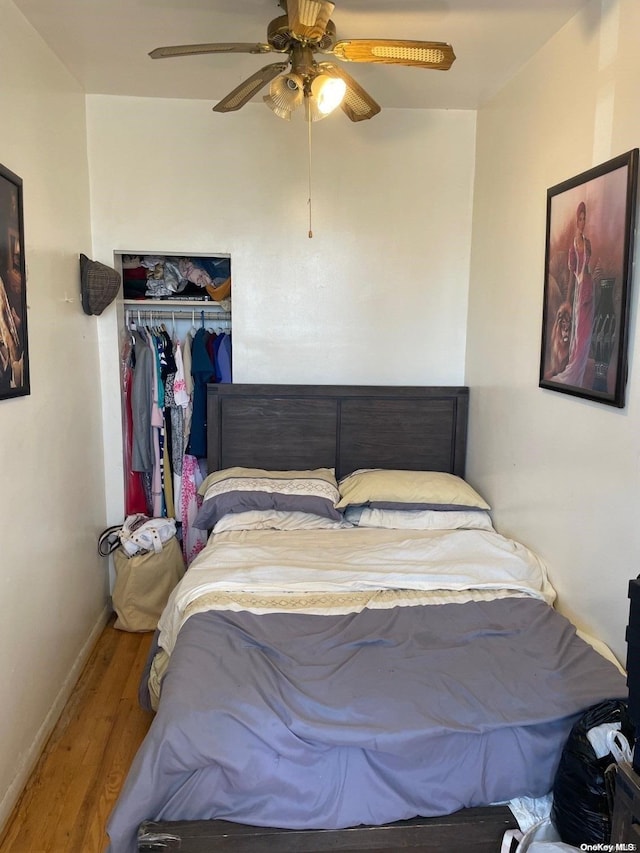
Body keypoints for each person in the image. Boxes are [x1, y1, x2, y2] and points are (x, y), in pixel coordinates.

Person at [553, 201, 599, 386]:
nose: (582, 221)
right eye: (580, 218)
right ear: (576, 220)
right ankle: (575, 367)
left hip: (589, 287)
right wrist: (571, 295)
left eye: (584, 218)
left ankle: (580, 364)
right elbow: (573, 269)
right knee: (580, 331)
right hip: (580, 288)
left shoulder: (587, 242)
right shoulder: (574, 244)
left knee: (586, 331)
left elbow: (586, 265)